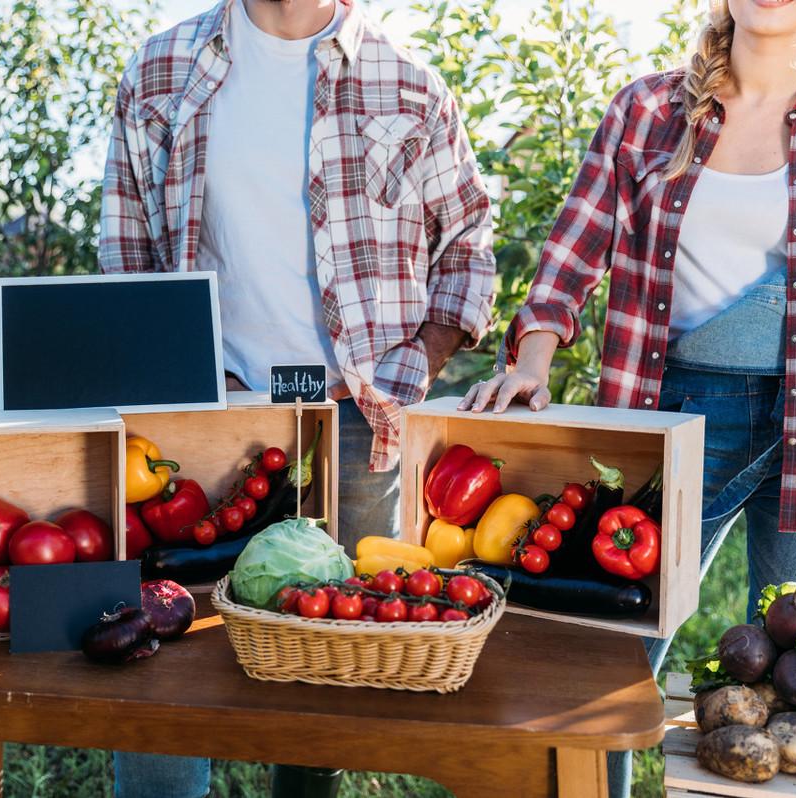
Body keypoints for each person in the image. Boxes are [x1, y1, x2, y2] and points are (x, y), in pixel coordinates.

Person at [460, 1, 796, 795]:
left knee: (794, 693)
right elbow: (571, 250)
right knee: (606, 669)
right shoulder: (649, 111)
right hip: (672, 418)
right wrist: (533, 357)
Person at [100, 0, 496, 794]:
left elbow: (468, 241)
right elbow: (126, 245)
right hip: (205, 410)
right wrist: (159, 379)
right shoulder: (162, 70)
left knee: (330, 653)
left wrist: (419, 358)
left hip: (358, 419)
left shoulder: (407, 81)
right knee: (163, 644)